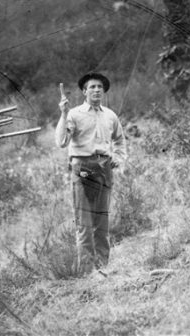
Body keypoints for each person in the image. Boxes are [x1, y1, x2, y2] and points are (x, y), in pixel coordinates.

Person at [55, 73, 127, 274]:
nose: (97, 90)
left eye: (100, 87)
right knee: (85, 224)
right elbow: (61, 142)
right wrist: (63, 114)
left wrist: (118, 158)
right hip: (82, 170)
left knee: (101, 223)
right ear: (84, 91)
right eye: (92, 87)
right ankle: (87, 273)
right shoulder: (74, 114)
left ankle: (103, 268)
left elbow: (120, 141)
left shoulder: (110, 115)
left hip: (104, 169)